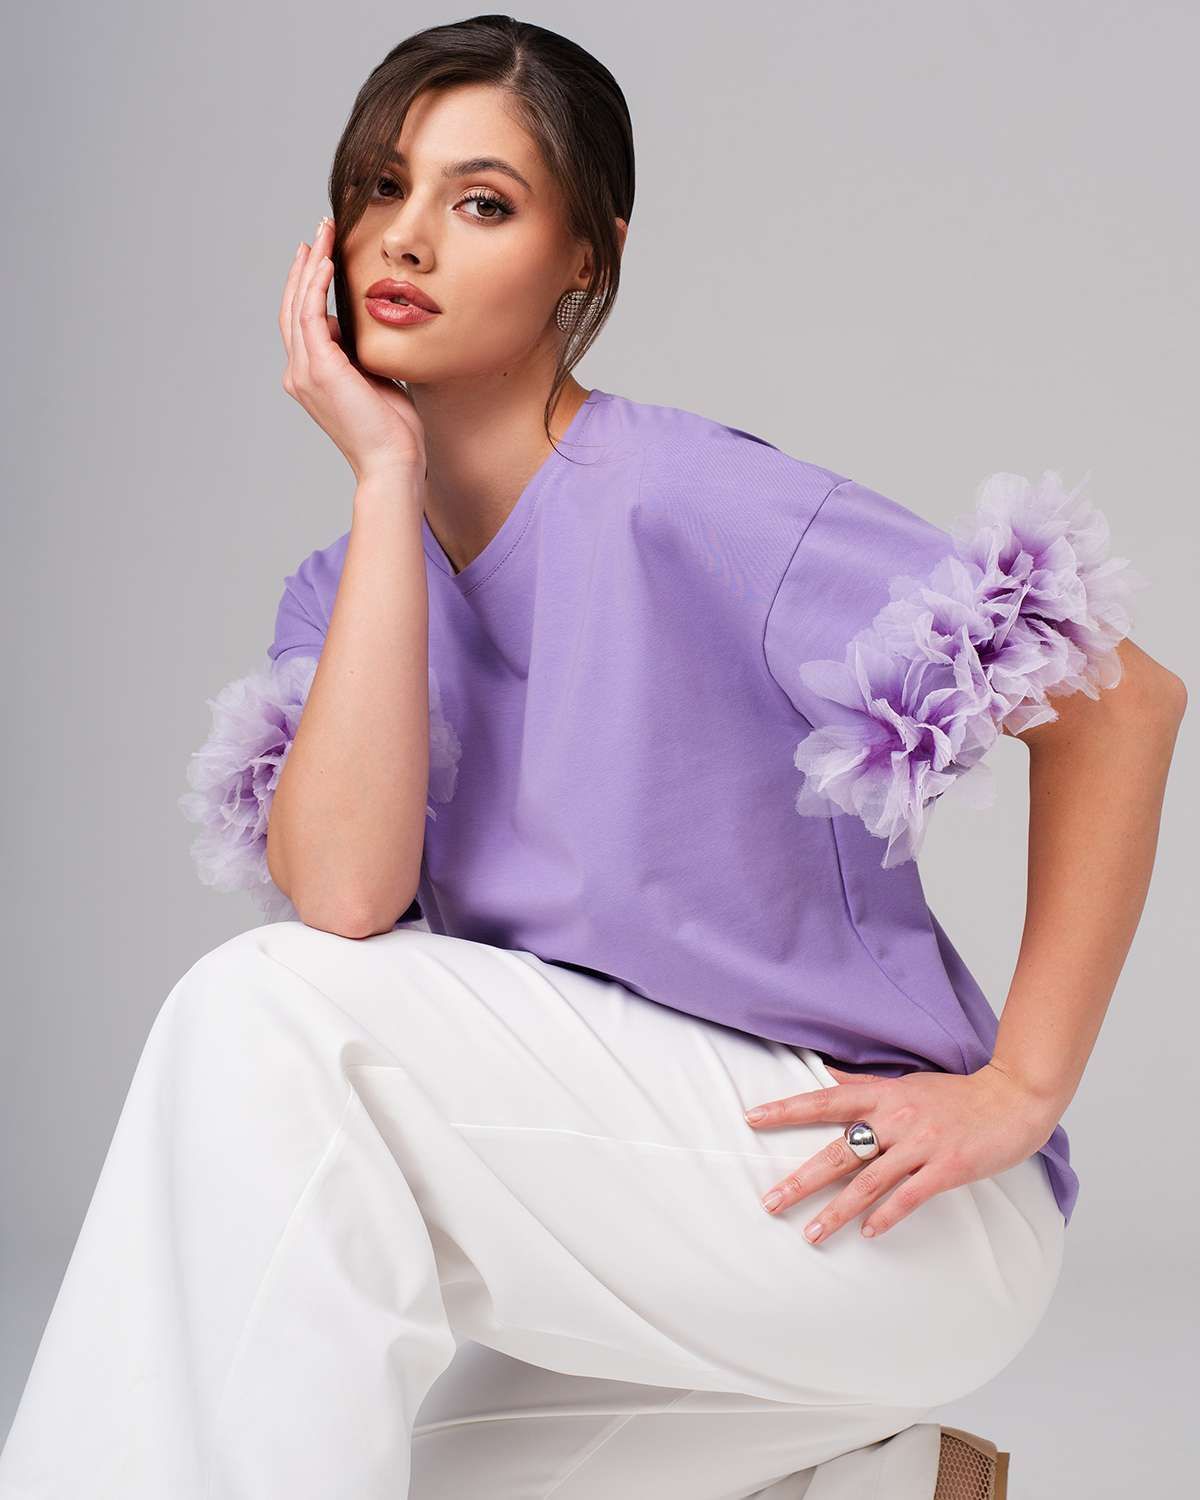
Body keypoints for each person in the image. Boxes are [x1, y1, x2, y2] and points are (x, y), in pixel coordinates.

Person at [0, 16, 1186, 1500]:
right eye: (380, 187)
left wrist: (1022, 1087)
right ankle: (882, 1481)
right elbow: (347, 899)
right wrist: (386, 477)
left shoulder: (678, 497)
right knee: (333, 1436)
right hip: (658, 1222)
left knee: (260, 1012)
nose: (408, 237)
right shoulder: (352, 590)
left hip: (881, 1203)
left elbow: (1125, 702)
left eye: (481, 202)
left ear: (586, 257)